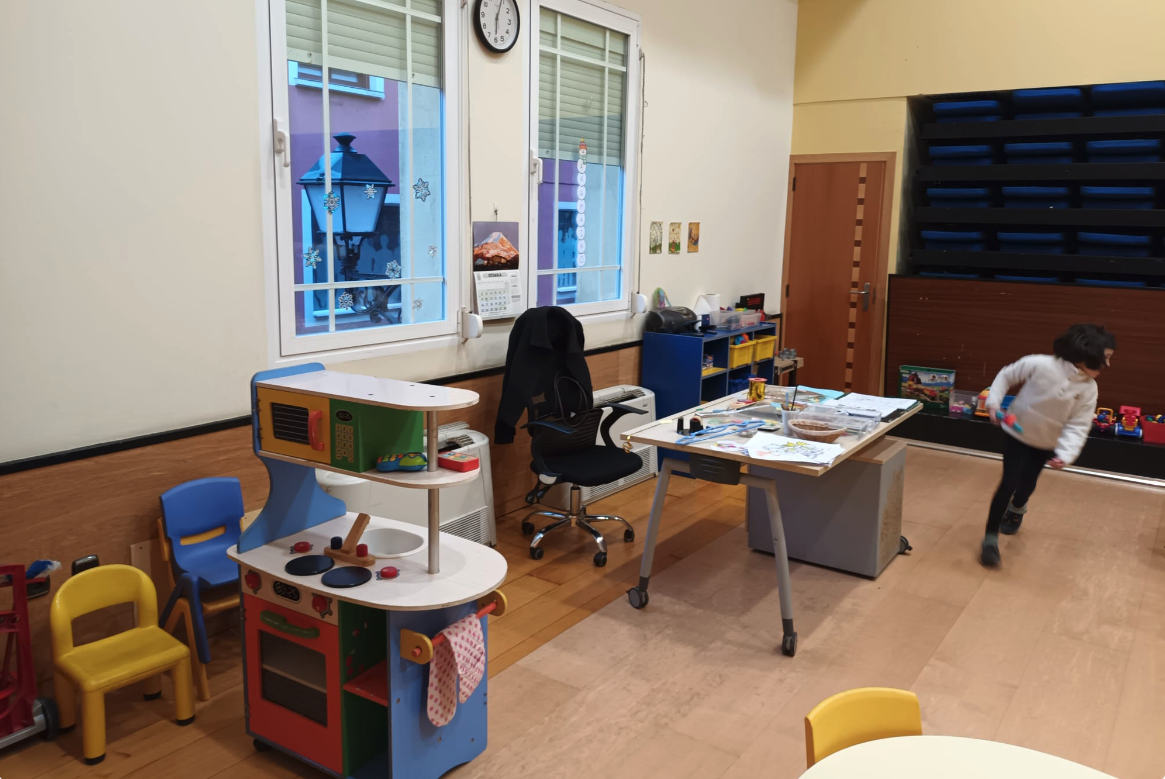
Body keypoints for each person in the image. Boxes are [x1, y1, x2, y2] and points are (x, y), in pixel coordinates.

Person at [980, 324, 1116, 567]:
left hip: (1046, 444)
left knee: (1026, 485)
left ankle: (1018, 507)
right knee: (1008, 482)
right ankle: (990, 537)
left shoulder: (1089, 388)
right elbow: (1006, 375)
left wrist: (1065, 453)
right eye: (1105, 358)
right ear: (1085, 352)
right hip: (1016, 435)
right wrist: (994, 403)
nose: (1107, 365)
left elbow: (1079, 425)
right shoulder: (1040, 364)